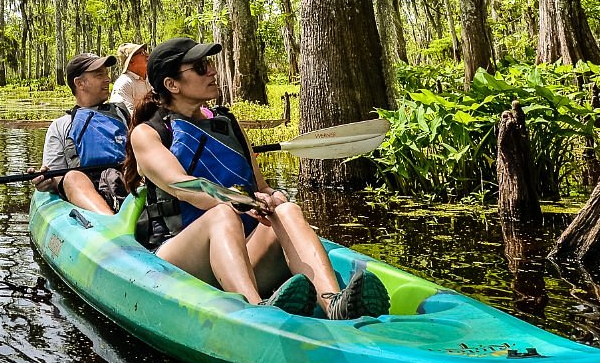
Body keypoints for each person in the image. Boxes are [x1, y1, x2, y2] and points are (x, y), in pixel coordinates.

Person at [130, 37, 386, 319]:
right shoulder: (148, 133)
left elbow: (261, 185)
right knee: (222, 214)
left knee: (286, 210)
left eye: (210, 64)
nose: (213, 71)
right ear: (172, 84)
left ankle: (332, 303)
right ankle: (255, 311)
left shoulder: (228, 123)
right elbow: (182, 186)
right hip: (179, 258)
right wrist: (239, 200)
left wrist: (272, 197)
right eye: (201, 67)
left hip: (237, 254)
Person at [36, 53, 141, 214]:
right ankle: (111, 222)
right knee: (72, 177)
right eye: (99, 75)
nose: (107, 79)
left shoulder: (123, 115)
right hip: (87, 188)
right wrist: (46, 181)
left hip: (126, 181)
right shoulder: (61, 126)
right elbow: (57, 177)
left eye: (106, 74)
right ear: (79, 83)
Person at [112, 42, 150, 110]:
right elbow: (124, 114)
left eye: (145, 51)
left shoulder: (152, 77)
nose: (147, 55)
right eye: (142, 53)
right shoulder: (124, 83)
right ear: (131, 61)